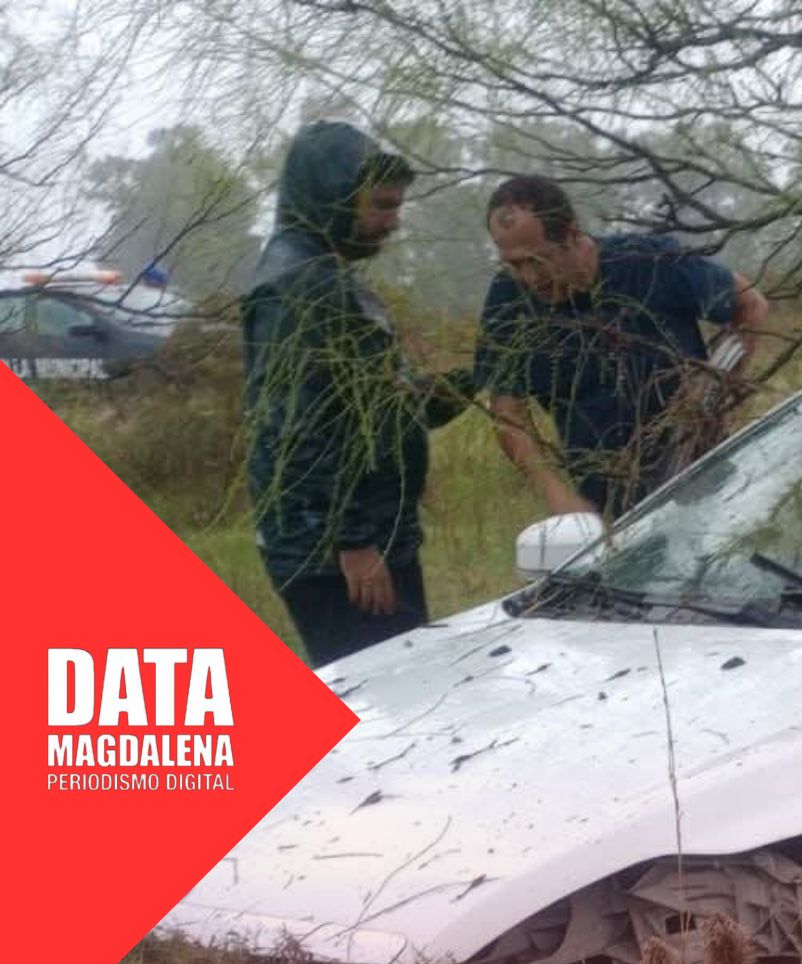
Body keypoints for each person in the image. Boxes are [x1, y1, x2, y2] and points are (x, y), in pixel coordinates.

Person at [240, 120, 473, 668]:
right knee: (387, 707)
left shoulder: (320, 275)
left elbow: (375, 408)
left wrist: (475, 377)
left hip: (360, 538)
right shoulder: (302, 286)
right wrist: (353, 542)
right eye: (382, 207)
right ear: (330, 197)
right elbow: (301, 428)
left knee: (401, 692)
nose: (393, 224)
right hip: (334, 555)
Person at [473, 176, 770, 519]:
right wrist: (559, 497)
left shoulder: (648, 261)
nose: (529, 278)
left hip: (703, 478)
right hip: (607, 505)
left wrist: (714, 396)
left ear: (571, 233)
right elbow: (507, 413)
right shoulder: (508, 301)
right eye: (514, 264)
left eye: (538, 261)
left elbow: (751, 305)